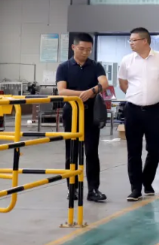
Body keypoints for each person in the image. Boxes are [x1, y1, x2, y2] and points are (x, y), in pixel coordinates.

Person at [118, 27, 159, 202]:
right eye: (130, 40)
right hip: (133, 110)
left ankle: (147, 181)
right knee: (133, 151)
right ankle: (135, 189)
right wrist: (136, 96)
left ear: (144, 41)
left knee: (155, 149)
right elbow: (122, 83)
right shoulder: (127, 60)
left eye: (133, 40)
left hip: (154, 110)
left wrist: (153, 94)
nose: (131, 43)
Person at [56, 32, 109, 203]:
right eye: (81, 49)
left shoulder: (96, 66)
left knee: (92, 152)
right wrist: (82, 94)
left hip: (91, 114)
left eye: (88, 49)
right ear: (73, 47)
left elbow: (104, 83)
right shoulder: (64, 67)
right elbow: (62, 91)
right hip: (71, 113)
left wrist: (92, 91)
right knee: (71, 152)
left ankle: (93, 189)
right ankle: (72, 189)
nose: (85, 52)